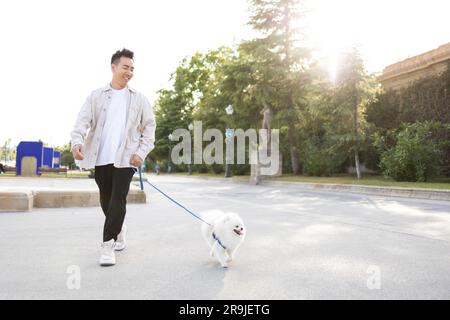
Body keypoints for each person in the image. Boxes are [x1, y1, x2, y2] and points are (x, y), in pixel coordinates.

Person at [71, 48, 156, 267]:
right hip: (101, 157)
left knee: (118, 198)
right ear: (114, 67)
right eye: (125, 67)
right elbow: (82, 121)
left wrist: (140, 153)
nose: (129, 72)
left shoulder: (139, 99)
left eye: (132, 69)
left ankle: (107, 246)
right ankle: (119, 228)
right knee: (106, 200)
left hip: (126, 159)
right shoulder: (96, 96)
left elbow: (149, 128)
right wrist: (77, 142)